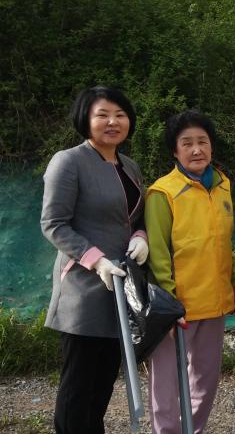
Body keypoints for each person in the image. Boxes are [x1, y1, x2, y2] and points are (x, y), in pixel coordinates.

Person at [40, 86, 148, 434]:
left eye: (120, 114)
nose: (112, 122)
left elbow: (135, 218)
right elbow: (53, 223)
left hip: (119, 291)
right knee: (78, 387)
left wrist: (140, 237)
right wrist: (96, 260)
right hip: (85, 290)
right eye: (102, 115)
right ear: (86, 119)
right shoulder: (69, 161)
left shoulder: (129, 166)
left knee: (102, 385)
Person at [145, 110, 235, 433]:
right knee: (167, 384)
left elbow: (225, 240)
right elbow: (159, 254)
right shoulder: (163, 193)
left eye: (202, 141)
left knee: (206, 378)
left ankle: (194, 430)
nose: (196, 149)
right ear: (175, 151)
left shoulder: (223, 185)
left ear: (212, 146)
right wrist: (169, 304)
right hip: (177, 309)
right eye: (187, 143)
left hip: (214, 302)